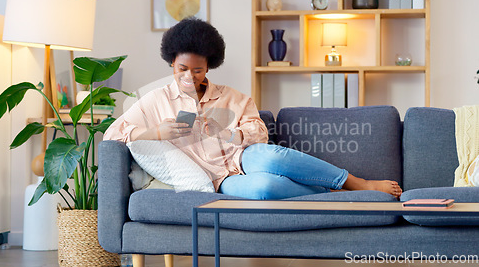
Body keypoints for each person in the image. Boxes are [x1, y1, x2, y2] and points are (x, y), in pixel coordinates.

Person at [103, 17, 402, 199]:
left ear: (209, 66)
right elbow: (112, 135)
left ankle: (357, 182)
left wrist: (229, 135)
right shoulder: (156, 101)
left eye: (197, 70)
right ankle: (333, 194)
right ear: (171, 63)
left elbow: (259, 133)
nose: (188, 77)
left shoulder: (232, 97)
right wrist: (155, 131)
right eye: (182, 69)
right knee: (265, 190)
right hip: (221, 180)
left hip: (245, 156)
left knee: (272, 156)